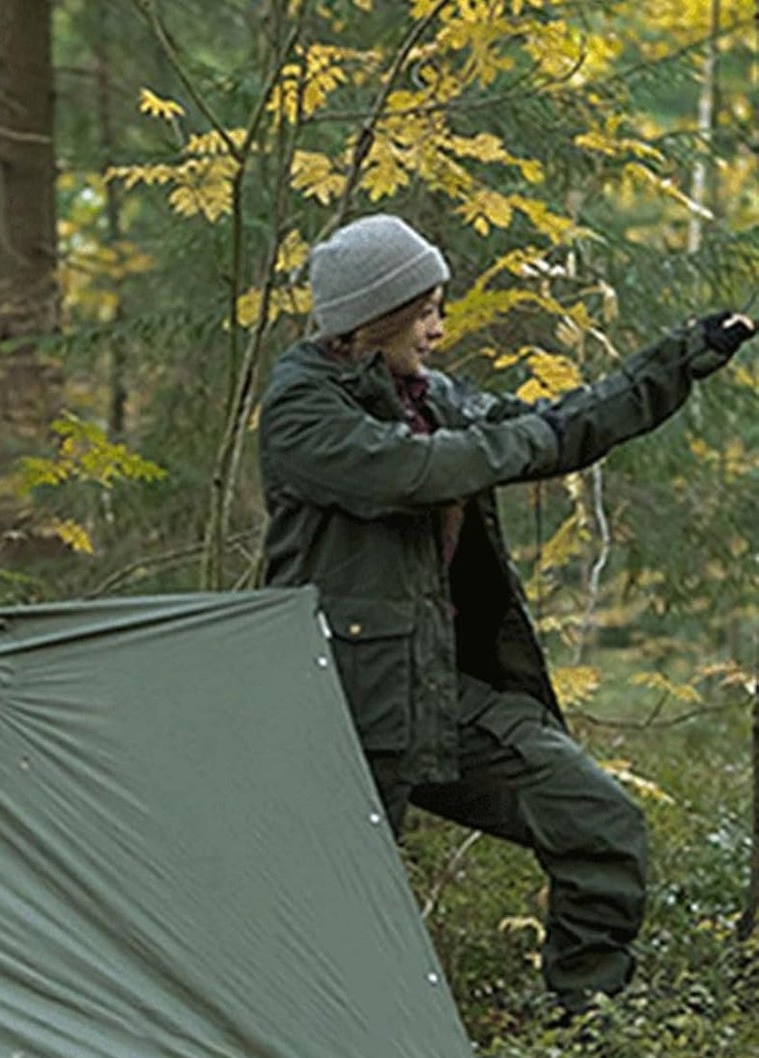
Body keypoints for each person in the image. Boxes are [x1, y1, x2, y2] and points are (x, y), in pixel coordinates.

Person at [258, 212, 754, 1016]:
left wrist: (680, 360)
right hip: (340, 706)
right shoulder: (299, 410)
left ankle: (581, 1030)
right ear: (374, 318)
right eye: (423, 312)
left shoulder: (430, 397)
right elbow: (418, 471)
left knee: (598, 818)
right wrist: (530, 438)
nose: (438, 329)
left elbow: (563, 426)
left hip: (436, 692)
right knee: (338, 916)